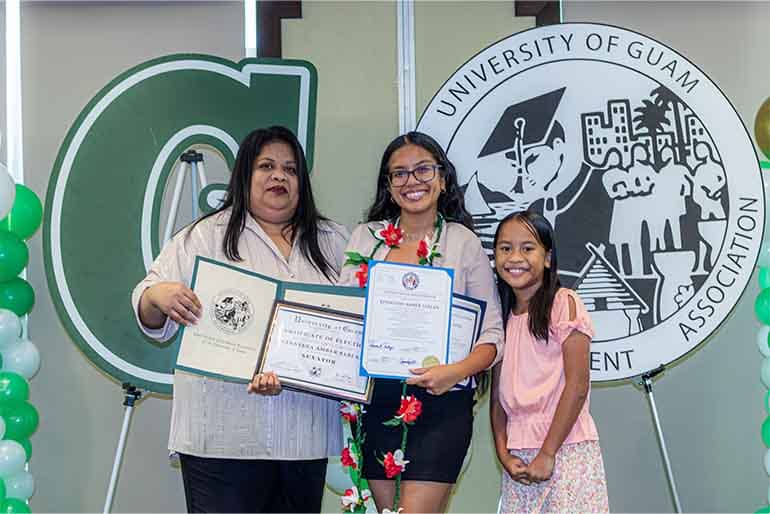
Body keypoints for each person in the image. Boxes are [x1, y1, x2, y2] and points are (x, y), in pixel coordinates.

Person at [131, 126, 348, 513]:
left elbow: (354, 320)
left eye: (290, 169)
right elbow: (148, 310)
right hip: (221, 435)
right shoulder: (204, 236)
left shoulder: (333, 241)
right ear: (244, 176)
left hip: (304, 435)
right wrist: (158, 295)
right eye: (266, 166)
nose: (279, 176)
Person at [339, 131, 504, 513]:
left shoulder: (462, 242)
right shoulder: (365, 240)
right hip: (376, 401)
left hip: (441, 403)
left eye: (423, 170)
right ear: (388, 185)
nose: (412, 181)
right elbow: (343, 314)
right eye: (399, 174)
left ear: (443, 178)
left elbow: (493, 333)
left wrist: (455, 372)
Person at [490, 210, 609, 513]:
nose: (514, 257)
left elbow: (577, 385)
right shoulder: (500, 318)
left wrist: (548, 452)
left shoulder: (564, 303)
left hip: (565, 448)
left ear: (547, 257)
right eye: (505, 248)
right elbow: (497, 400)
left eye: (527, 248)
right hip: (520, 457)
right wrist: (504, 453)